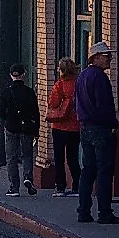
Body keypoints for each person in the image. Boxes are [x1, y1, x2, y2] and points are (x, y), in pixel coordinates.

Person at [74, 43, 119, 225]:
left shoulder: (82, 76)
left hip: (85, 128)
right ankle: (104, 212)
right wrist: (112, 124)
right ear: (95, 57)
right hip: (100, 129)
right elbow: (104, 106)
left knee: (88, 171)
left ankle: (84, 211)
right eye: (106, 56)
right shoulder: (100, 78)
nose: (109, 58)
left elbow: (76, 103)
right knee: (104, 171)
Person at [0, 63, 41, 196]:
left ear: (11, 76)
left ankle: (14, 187)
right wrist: (36, 129)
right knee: (27, 154)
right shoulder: (29, 92)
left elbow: (0, 112)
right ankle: (28, 177)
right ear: (24, 75)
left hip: (11, 127)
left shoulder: (6, 93)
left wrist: (7, 120)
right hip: (27, 127)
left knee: (12, 157)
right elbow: (36, 112)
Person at [47, 57, 82, 194]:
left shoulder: (59, 85)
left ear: (61, 70)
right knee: (73, 158)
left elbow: (53, 103)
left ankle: (60, 187)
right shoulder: (78, 84)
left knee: (59, 158)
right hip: (75, 126)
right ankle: (77, 186)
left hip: (59, 126)